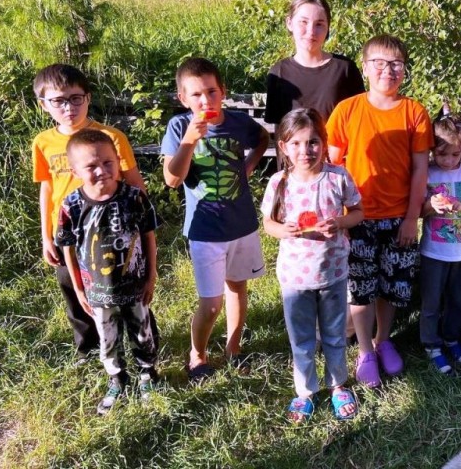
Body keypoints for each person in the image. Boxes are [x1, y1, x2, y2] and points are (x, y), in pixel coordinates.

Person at [327, 34, 434, 388]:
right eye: (379, 63)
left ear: (404, 69)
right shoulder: (347, 110)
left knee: (393, 286)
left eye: (396, 64)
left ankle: (383, 339)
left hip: (399, 218)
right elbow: (333, 169)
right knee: (360, 288)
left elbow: (420, 169)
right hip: (357, 218)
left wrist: (411, 218)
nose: (388, 70)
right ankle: (364, 350)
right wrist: (342, 217)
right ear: (365, 67)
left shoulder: (414, 112)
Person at [161, 57, 270, 381]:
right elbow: (172, 179)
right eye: (196, 94)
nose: (205, 100)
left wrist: (248, 167)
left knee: (237, 288)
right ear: (183, 98)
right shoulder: (179, 127)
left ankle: (233, 348)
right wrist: (189, 142)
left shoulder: (238, 122)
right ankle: (197, 355)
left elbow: (262, 138)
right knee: (211, 304)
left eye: (211, 91)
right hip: (206, 230)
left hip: (242, 225)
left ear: (223, 91)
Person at [32, 63, 147, 365]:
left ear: (88, 98)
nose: (68, 107)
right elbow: (47, 188)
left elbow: (135, 182)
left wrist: (142, 224)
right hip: (69, 233)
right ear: (43, 104)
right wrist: (46, 236)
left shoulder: (111, 136)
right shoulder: (43, 142)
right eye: (58, 101)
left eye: (75, 98)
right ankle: (88, 348)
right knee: (74, 290)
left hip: (112, 230)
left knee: (126, 288)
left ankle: (141, 345)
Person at [261, 108, 364, 422]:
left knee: (334, 335)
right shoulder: (279, 182)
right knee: (302, 339)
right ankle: (305, 391)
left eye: (313, 142)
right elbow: (268, 223)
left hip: (333, 273)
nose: (305, 150)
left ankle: (338, 385)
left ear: (324, 143)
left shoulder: (338, 177)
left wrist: (340, 222)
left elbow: (358, 213)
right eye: (296, 143)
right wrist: (283, 230)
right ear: (283, 146)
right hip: (294, 278)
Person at [55, 129, 159, 415]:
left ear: (117, 161)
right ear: (75, 171)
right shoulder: (71, 205)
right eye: (91, 166)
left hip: (134, 285)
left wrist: (151, 276)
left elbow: (149, 235)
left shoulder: (134, 198)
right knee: (107, 336)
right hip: (97, 290)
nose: (101, 171)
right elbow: (67, 248)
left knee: (142, 331)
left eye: (108, 162)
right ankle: (117, 378)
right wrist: (79, 288)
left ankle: (148, 374)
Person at [419, 113, 461, 374]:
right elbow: (419, 211)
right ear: (432, 150)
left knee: (457, 300)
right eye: (442, 154)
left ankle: (452, 338)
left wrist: (460, 206)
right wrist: (431, 205)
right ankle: (431, 344)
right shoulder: (427, 171)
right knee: (431, 301)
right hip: (433, 251)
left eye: (455, 154)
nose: (448, 160)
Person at [265, 0, 365, 125]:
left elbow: (360, 122)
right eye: (303, 22)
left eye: (319, 24)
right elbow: (279, 130)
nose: (311, 31)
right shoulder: (279, 73)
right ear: (289, 23)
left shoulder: (345, 69)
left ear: (328, 27)